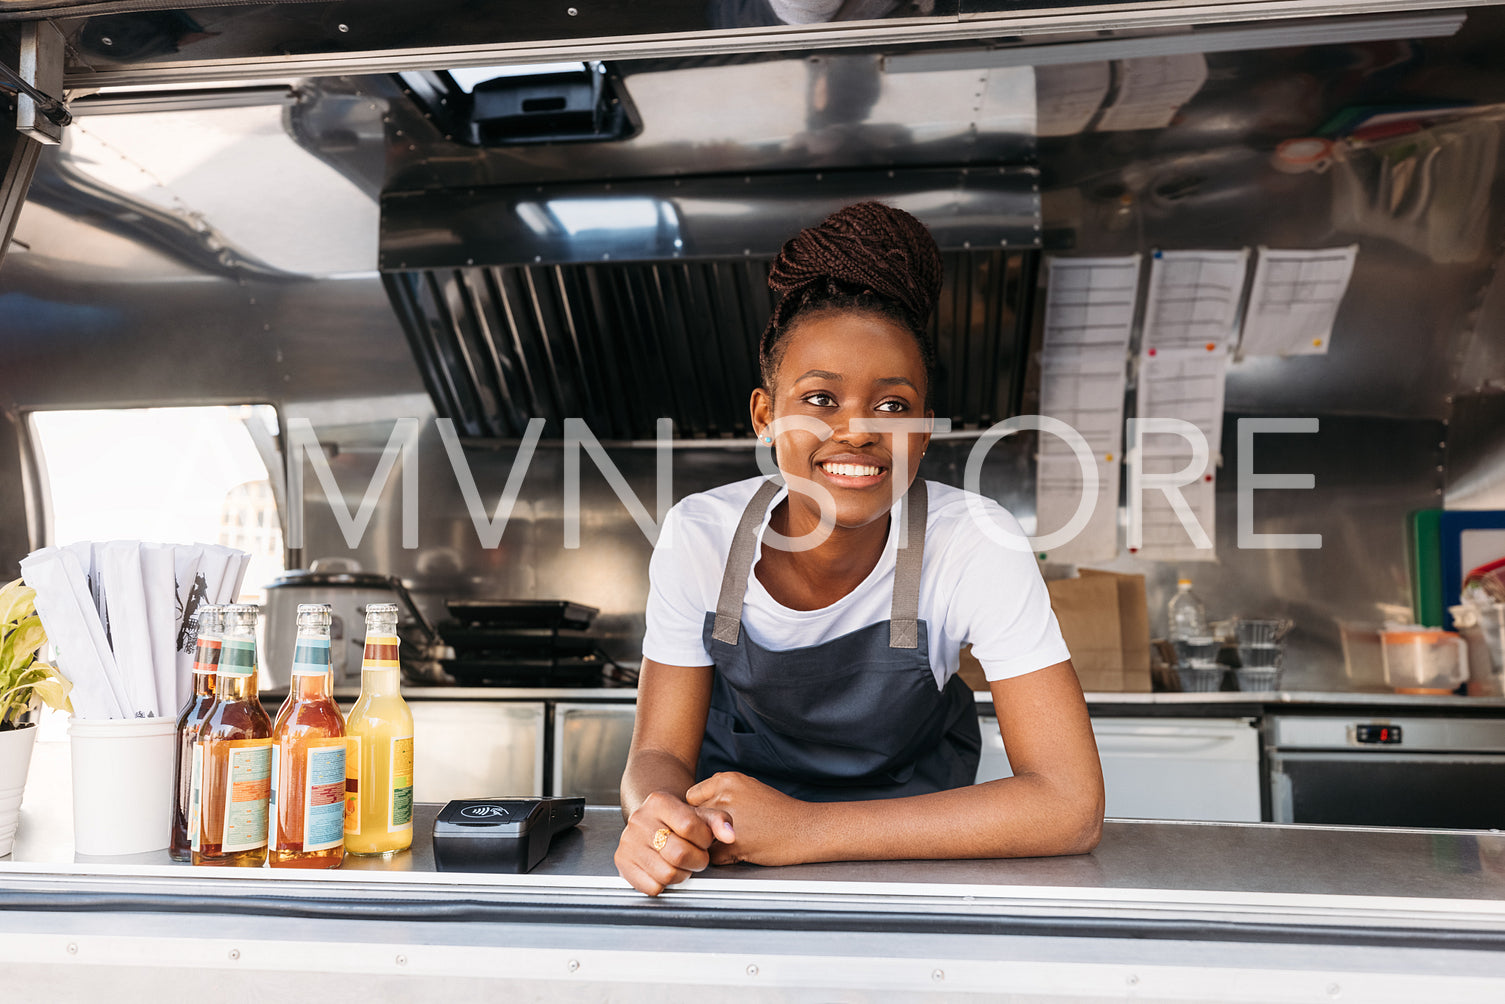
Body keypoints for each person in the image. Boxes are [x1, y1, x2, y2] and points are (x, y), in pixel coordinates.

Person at [614, 202, 1103, 896]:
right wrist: (655, 817)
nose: (858, 431)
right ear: (764, 415)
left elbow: (1069, 806)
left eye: (894, 405)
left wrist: (806, 832)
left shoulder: (972, 541)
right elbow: (659, 753)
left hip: (913, 868)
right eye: (819, 398)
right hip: (731, 866)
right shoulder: (701, 535)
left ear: (926, 429)